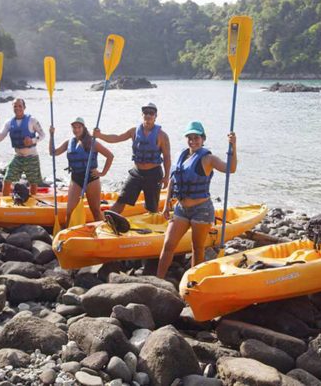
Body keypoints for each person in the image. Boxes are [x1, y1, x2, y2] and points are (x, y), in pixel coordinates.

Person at [157, 121, 236, 279]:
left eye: (196, 137)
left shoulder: (208, 159)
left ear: (203, 138)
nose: (193, 140)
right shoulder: (183, 155)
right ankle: (158, 279)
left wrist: (233, 146)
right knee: (168, 244)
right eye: (190, 137)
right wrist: (166, 205)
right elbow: (173, 180)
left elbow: (230, 169)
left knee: (197, 248)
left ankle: (194, 282)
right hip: (181, 209)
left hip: (202, 210)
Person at [93, 102, 171, 214]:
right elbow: (116, 138)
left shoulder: (162, 135)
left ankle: (152, 227)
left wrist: (166, 177)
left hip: (153, 174)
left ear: (155, 116)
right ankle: (108, 223)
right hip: (137, 173)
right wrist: (100, 135)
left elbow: (167, 157)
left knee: (152, 207)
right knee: (121, 200)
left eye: (151, 113)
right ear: (142, 114)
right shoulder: (134, 131)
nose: (148, 115)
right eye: (145, 113)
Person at [50, 117, 114, 225]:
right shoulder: (69, 142)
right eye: (74, 127)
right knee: (69, 211)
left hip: (91, 178)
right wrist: (51, 135)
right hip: (76, 178)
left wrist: (102, 173)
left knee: (96, 211)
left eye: (79, 127)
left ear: (83, 128)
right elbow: (53, 152)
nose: (76, 130)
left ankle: (104, 232)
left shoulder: (92, 142)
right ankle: (67, 236)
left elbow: (110, 156)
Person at [0, 98, 45, 196]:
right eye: (15, 106)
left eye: (20, 106)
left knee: (33, 182)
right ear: (13, 108)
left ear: (24, 107)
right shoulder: (9, 122)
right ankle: (4, 202)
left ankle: (33, 203)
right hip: (18, 157)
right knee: (7, 179)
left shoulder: (32, 120)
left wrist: (32, 140)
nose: (17, 108)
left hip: (31, 157)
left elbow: (42, 135)